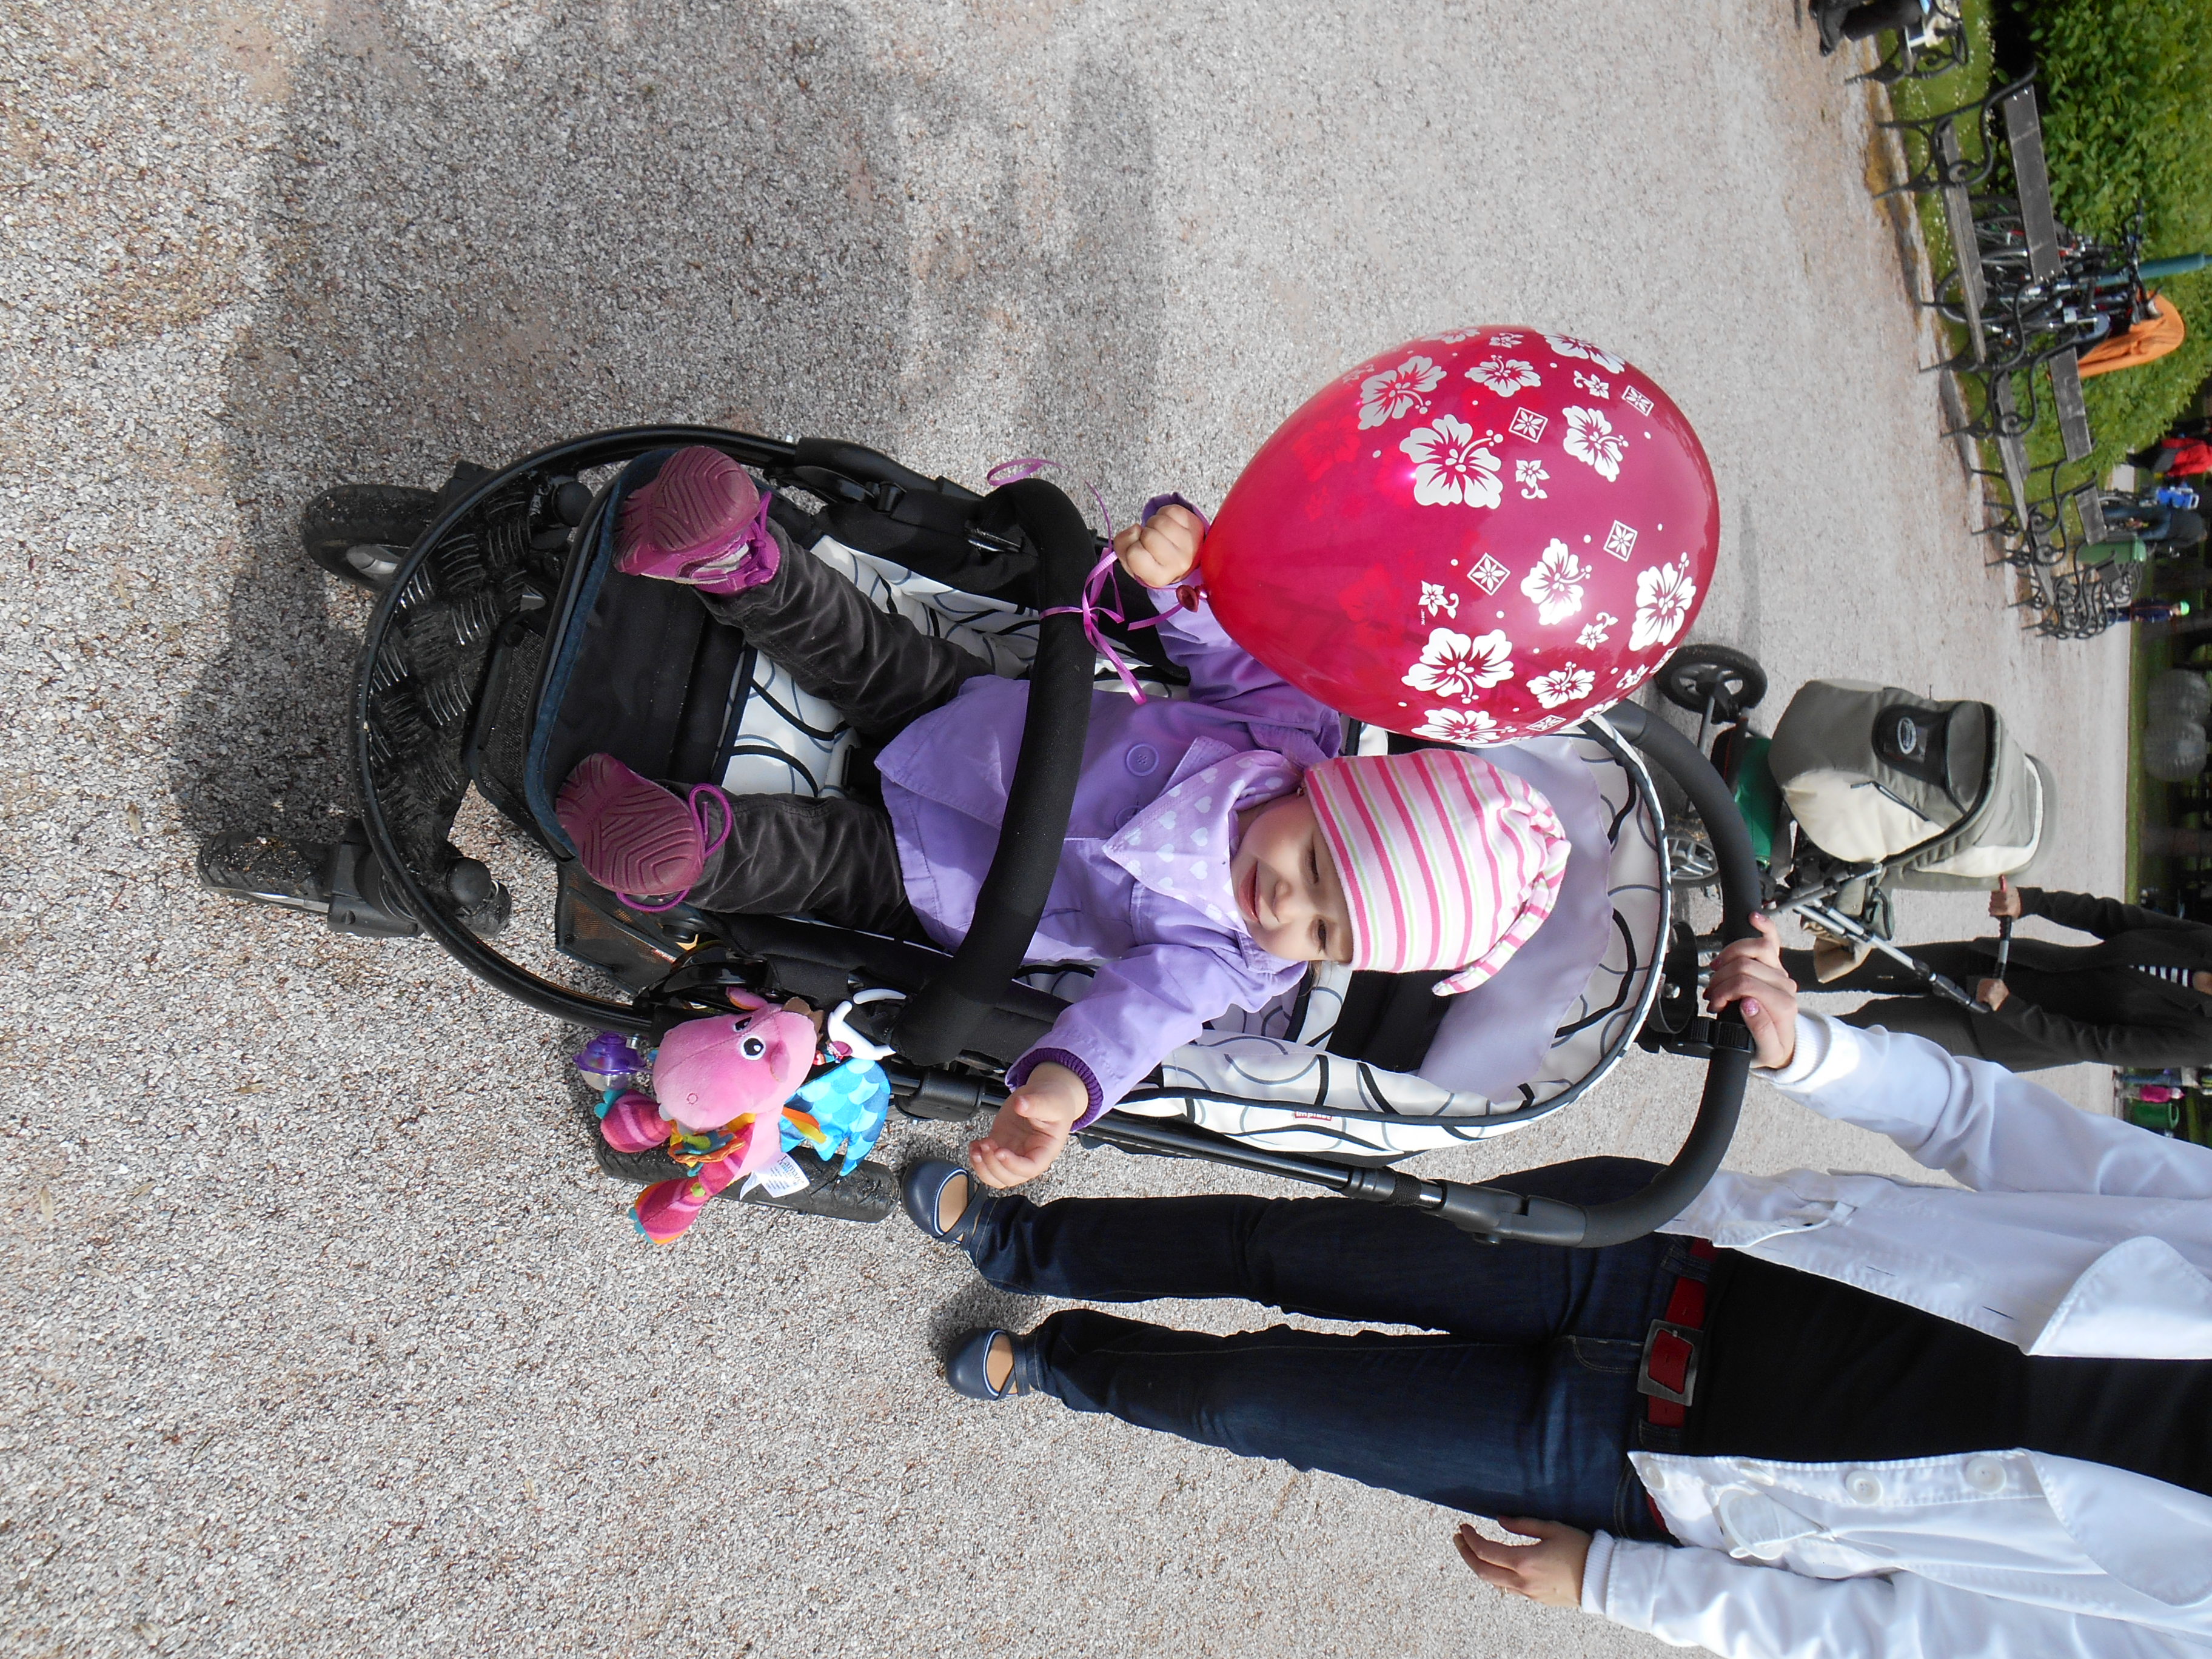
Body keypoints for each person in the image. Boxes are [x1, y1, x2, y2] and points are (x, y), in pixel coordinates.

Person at [911, 918, 2212, 1656]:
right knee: (1295, 1246)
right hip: (1668, 1252)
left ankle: (1066, 1365)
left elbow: (1902, 1633)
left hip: (1638, 1470)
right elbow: (1996, 1127)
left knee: (1253, 1403)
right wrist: (1811, 1052)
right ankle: (1033, 1246)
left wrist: (1613, 1587)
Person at [558, 446, 1570, 1191]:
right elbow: (1223, 637)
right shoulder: (1284, 726)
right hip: (980, 724)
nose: (1284, 908)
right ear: (1328, 791)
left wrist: (1060, 1095)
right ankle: (740, 560)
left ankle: (689, 847)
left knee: (819, 864)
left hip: (940, 880)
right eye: (1312, 866)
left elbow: (1137, 1021)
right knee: (864, 647)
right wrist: (1181, 573)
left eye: (1322, 934)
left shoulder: (1228, 961)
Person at [1783, 879, 2212, 1070]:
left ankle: (1754, 1032)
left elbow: (2097, 1044)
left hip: (2000, 1028)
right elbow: (2112, 917)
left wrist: (2011, 1008)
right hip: (2005, 963)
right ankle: (1748, 959)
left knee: (1864, 1030)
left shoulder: (2202, 1039)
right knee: (1860, 966)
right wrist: (2032, 902)